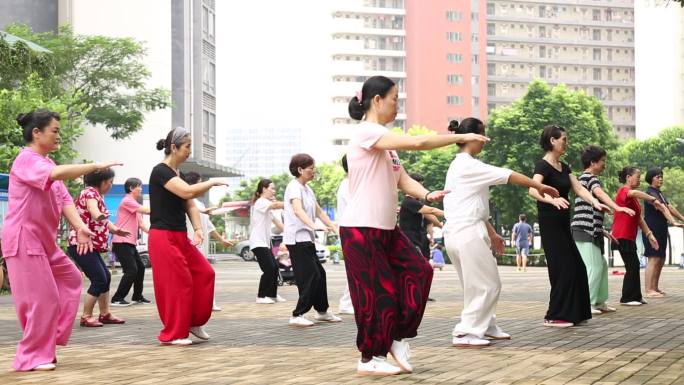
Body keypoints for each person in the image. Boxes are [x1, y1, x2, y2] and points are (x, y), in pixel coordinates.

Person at [340, 75, 489, 376]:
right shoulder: (366, 133)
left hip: (385, 229)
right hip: (361, 228)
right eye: (394, 98)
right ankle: (369, 358)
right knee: (376, 293)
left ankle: (396, 337)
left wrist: (426, 194)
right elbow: (419, 142)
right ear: (377, 100)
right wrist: (459, 138)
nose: (397, 104)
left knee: (419, 271)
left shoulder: (386, 144)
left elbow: (401, 178)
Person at [1, 109, 121, 371]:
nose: (59, 136)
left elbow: (65, 200)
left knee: (70, 278)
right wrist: (95, 166)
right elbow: (56, 177)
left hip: (44, 241)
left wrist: (80, 228)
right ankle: (30, 356)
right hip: (23, 238)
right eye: (54, 131)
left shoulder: (48, 165)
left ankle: (46, 338)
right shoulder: (26, 160)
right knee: (40, 299)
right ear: (36, 133)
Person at [443, 118, 560, 348]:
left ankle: (485, 325)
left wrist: (494, 234)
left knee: (474, 285)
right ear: (473, 137)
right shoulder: (469, 165)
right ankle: (467, 331)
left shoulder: (458, 165)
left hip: (457, 231)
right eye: (483, 135)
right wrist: (540, 186)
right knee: (488, 284)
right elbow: (509, 175)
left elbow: (474, 206)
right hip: (467, 233)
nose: (485, 141)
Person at [148, 127, 227, 345]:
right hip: (163, 236)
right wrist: (210, 183)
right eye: (187, 146)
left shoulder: (178, 174)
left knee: (204, 273)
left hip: (180, 236)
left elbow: (189, 204)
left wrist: (198, 229)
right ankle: (174, 333)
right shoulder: (160, 171)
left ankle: (192, 322)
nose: (190, 151)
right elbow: (187, 192)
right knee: (178, 284)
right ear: (173, 147)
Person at [528, 125, 608, 328]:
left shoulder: (564, 167)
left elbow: (579, 188)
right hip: (550, 224)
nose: (566, 142)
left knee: (578, 268)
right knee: (563, 269)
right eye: (563, 139)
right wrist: (551, 201)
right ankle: (554, 315)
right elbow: (532, 189)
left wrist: (595, 203)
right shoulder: (542, 166)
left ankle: (576, 313)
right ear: (552, 141)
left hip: (564, 224)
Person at [570, 146, 635, 315]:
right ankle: (588, 304)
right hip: (584, 230)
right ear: (593, 162)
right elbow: (600, 194)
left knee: (602, 265)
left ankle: (598, 301)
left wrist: (603, 231)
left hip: (591, 230)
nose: (605, 164)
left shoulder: (583, 178)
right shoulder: (590, 178)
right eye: (602, 161)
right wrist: (618, 208)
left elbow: (591, 210)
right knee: (594, 267)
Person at [283, 153, 341, 327]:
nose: (314, 171)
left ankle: (322, 311)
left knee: (319, 274)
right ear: (300, 169)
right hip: (296, 239)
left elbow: (319, 212)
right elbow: (298, 210)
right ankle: (297, 314)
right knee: (310, 276)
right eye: (311, 168)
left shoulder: (307, 189)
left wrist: (334, 227)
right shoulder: (294, 187)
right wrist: (314, 226)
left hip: (306, 239)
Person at [67, 169, 130, 327]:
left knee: (105, 277)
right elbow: (93, 210)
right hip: (81, 244)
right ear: (101, 182)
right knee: (99, 279)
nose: (110, 186)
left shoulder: (96, 195)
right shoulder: (90, 193)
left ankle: (105, 313)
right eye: (109, 182)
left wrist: (115, 230)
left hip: (89, 244)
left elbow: (102, 220)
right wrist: (98, 215)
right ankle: (86, 316)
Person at [182, 172, 236, 311]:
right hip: (191, 245)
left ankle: (207, 303)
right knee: (199, 275)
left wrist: (221, 240)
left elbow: (210, 227)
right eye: (201, 183)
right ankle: (198, 304)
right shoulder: (187, 200)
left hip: (201, 246)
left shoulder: (198, 202)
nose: (204, 187)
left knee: (204, 275)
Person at [612, 166, 665, 306]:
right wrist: (652, 199)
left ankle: (635, 297)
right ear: (628, 178)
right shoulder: (624, 190)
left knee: (634, 265)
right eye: (637, 176)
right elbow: (634, 192)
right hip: (621, 234)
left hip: (629, 236)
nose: (640, 179)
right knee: (633, 266)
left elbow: (639, 219)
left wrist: (649, 234)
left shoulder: (634, 200)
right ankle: (627, 298)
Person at [642, 168, 684, 298]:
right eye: (657, 177)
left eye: (661, 177)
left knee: (660, 258)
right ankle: (648, 290)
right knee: (653, 258)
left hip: (661, 228)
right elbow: (662, 208)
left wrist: (682, 218)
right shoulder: (649, 192)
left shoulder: (659, 193)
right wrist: (673, 221)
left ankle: (655, 287)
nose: (660, 179)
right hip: (652, 229)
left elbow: (669, 207)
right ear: (651, 178)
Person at [110, 177, 151, 306]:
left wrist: (155, 234)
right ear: (131, 188)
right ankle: (117, 298)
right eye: (139, 186)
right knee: (131, 270)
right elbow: (148, 211)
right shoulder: (127, 201)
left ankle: (137, 296)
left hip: (129, 243)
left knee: (140, 268)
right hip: (121, 242)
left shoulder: (134, 205)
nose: (141, 189)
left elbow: (142, 225)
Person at [248, 178, 285, 304]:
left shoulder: (266, 206)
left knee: (274, 267)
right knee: (269, 268)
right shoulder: (261, 202)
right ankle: (261, 296)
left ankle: (272, 295)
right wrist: (292, 203)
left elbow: (278, 223)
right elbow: (275, 205)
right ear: (264, 189)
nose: (274, 191)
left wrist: (289, 233)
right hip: (257, 242)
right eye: (272, 188)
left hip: (264, 242)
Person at [399, 173, 444, 260]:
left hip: (419, 237)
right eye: (419, 186)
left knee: (424, 261)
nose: (421, 189)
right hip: (410, 238)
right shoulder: (409, 202)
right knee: (416, 263)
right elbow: (432, 210)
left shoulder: (417, 202)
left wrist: (440, 225)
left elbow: (429, 215)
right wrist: (451, 213)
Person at [336, 155, 354, 315]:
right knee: (356, 268)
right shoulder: (348, 184)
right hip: (351, 230)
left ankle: (349, 302)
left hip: (352, 230)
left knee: (358, 268)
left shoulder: (351, 183)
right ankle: (346, 303)